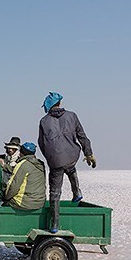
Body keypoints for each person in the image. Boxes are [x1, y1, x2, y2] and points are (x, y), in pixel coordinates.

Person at [38, 92, 96, 232]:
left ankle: (55, 224)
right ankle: (76, 192)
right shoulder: (72, 116)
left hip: (55, 161)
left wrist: (50, 157)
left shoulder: (44, 121)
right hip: (71, 156)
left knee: (55, 192)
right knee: (70, 167)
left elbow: (41, 143)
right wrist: (88, 153)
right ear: (59, 103)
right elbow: (82, 136)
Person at [3, 142, 46, 210]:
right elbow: (14, 170)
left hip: (25, 203)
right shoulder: (39, 165)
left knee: (0, 198)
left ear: (21, 152)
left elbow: (13, 187)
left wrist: (5, 197)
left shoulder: (23, 164)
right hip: (39, 203)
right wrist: (4, 166)